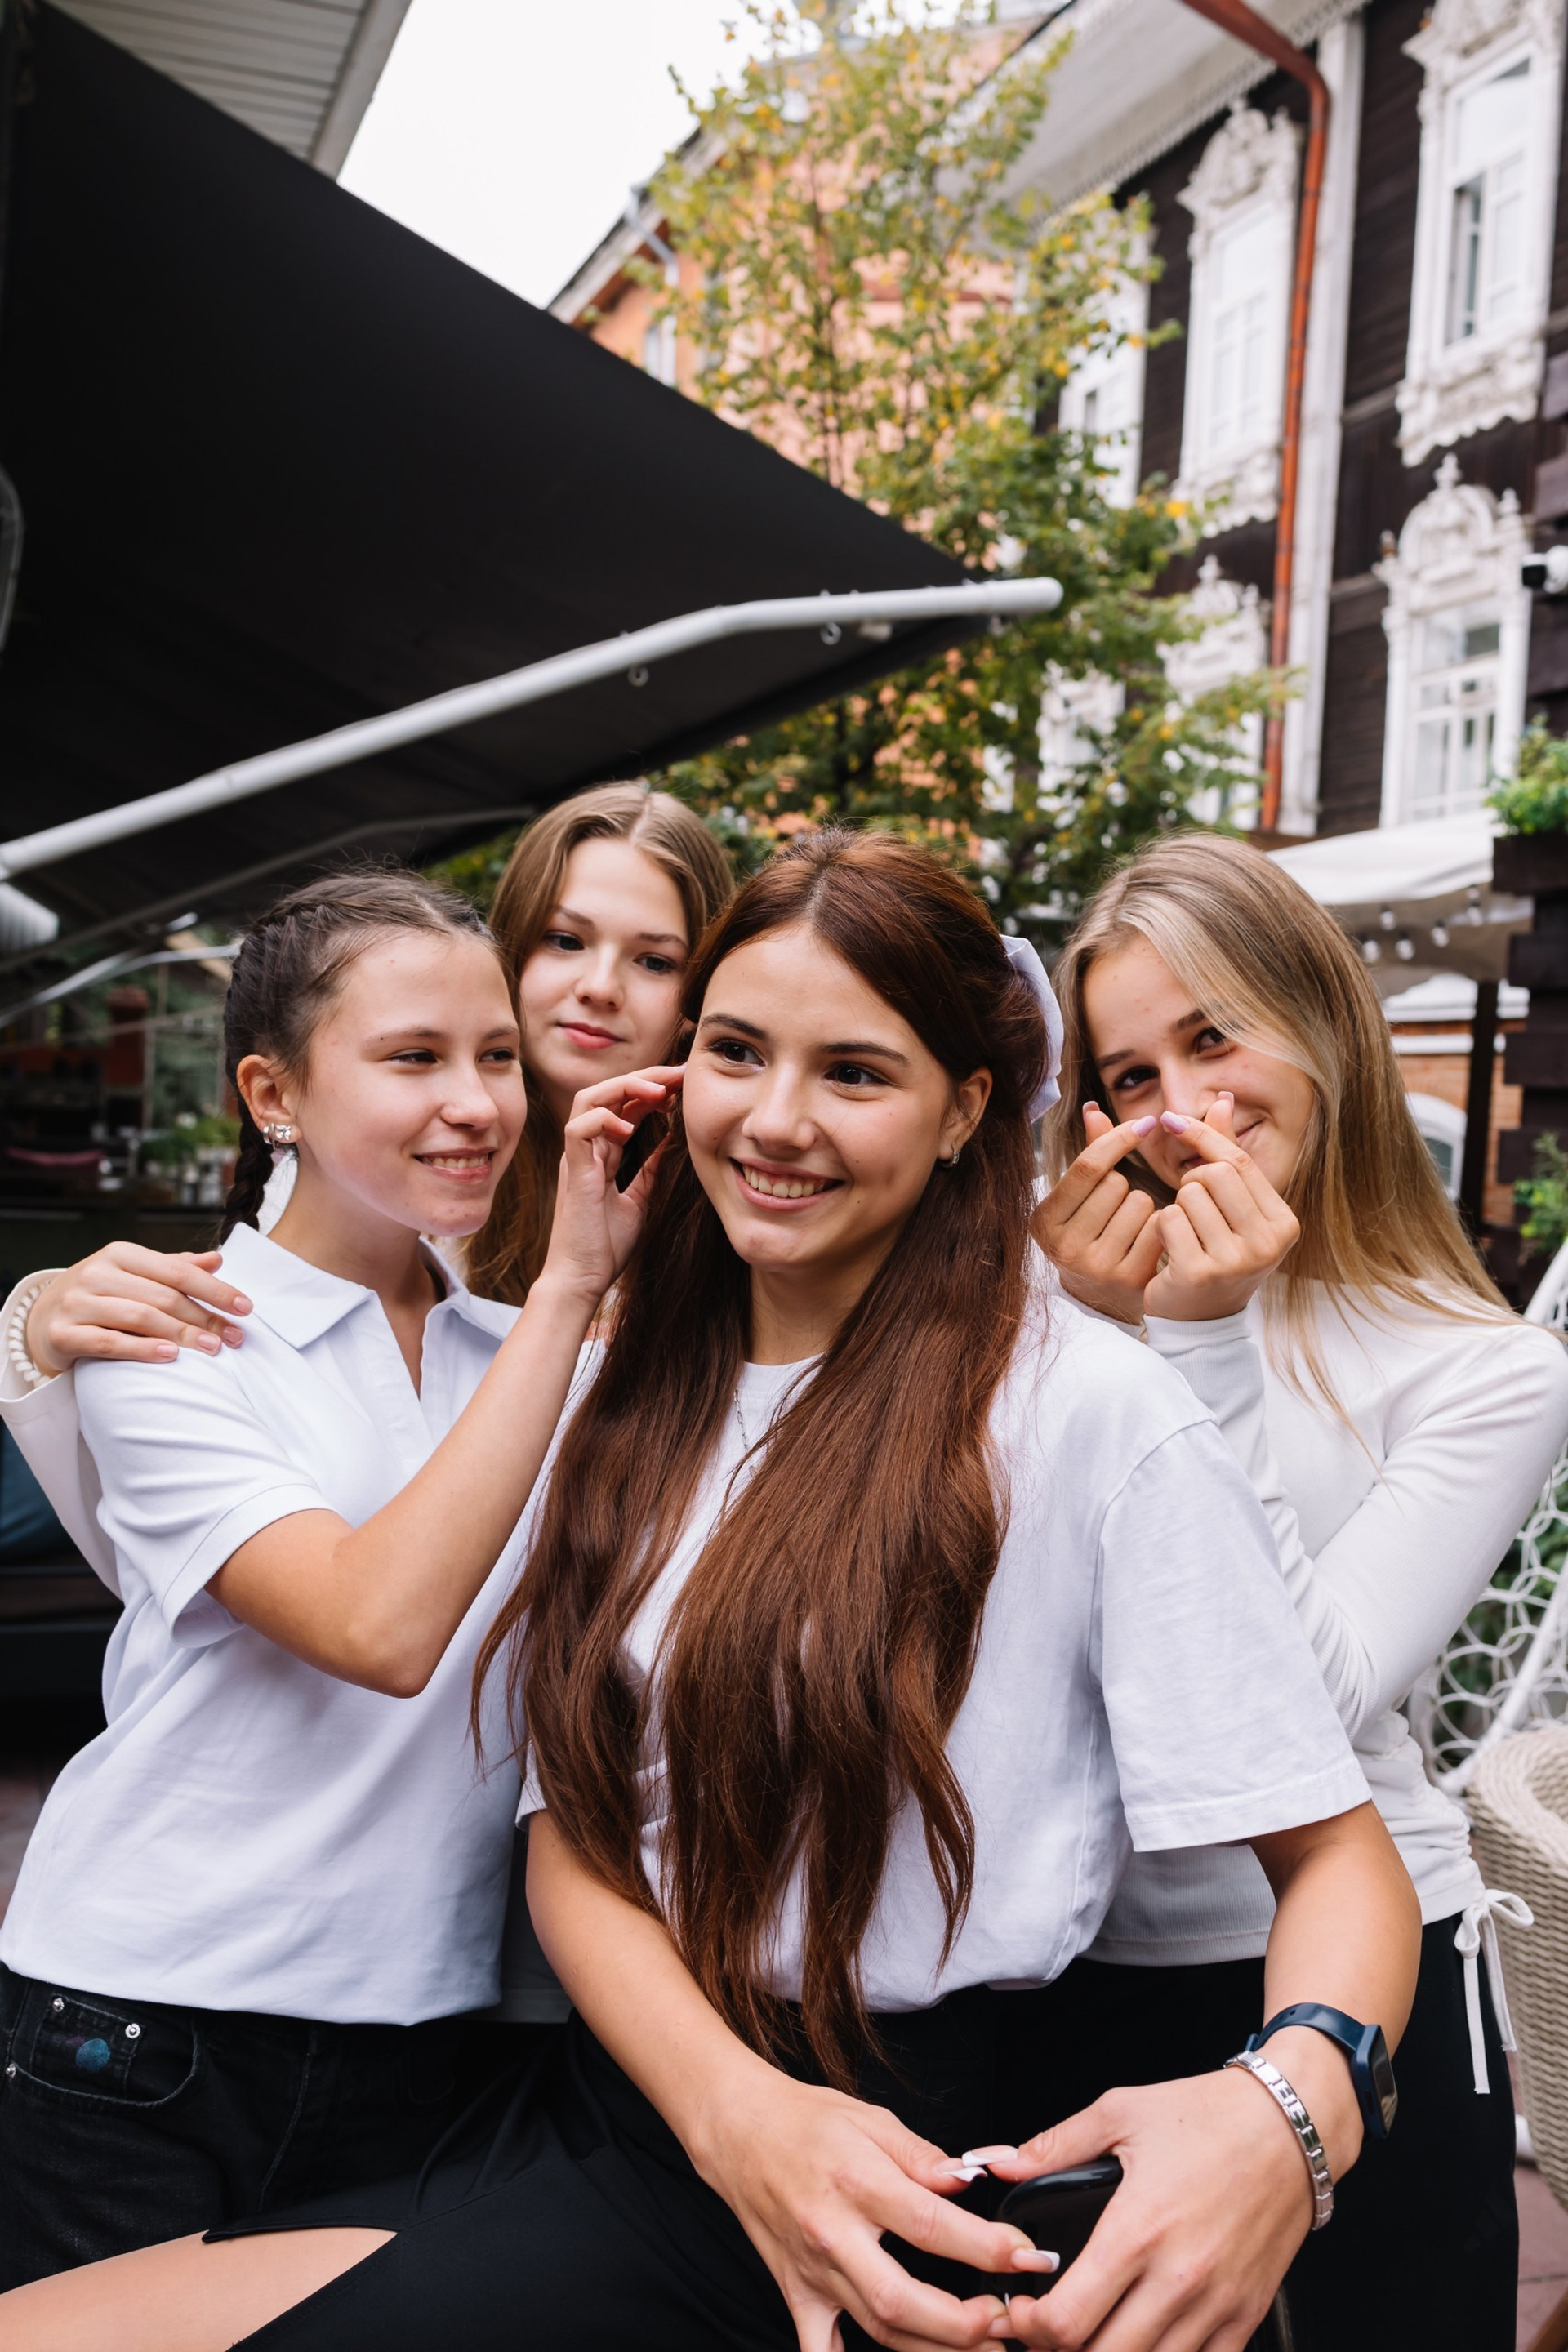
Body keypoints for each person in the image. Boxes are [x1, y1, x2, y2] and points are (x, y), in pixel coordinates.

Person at [2, 830, 1421, 2352]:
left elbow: (1340, 1854)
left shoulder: (1085, 1412)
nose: (778, 1119)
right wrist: (35, 1319)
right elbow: (576, 1824)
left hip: (878, 2148)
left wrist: (1294, 2107)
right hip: (611, 2102)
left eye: (856, 1072)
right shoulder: (609, 1391)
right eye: (738, 1052)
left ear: (966, 1111)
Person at [0, 869, 675, 2286]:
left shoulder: (534, 1361)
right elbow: (377, 1625)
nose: (476, 1103)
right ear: (274, 1093)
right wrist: (567, 1291)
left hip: (428, 2031)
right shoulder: (170, 1341)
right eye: (413, 1058)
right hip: (147, 2023)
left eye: (497, 1056)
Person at [1034, 831, 1568, 2352]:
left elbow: (1311, 1700)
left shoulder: (1485, 1365)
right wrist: (1079, 1328)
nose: (1181, 1104)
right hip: (1079, 1956)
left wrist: (1198, 1345)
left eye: (1215, 1037)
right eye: (1131, 1074)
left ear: (1322, 1025)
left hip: (1367, 1966)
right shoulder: (1066, 1298)